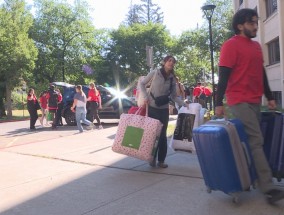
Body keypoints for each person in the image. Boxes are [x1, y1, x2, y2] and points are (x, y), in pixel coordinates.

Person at [215, 8, 284, 204]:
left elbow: (261, 73)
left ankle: (249, 177)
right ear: (240, 26)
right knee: (256, 139)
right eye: (252, 23)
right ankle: (268, 187)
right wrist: (218, 103)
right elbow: (224, 77)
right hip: (238, 101)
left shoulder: (256, 47)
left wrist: (270, 97)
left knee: (250, 142)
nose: (255, 26)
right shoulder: (230, 46)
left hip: (255, 100)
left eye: (256, 22)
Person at [140, 55, 188, 168]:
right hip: (152, 107)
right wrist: (145, 96)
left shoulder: (172, 78)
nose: (171, 63)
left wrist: (184, 103)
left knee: (162, 136)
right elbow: (142, 84)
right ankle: (151, 157)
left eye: (173, 62)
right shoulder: (155, 72)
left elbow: (174, 96)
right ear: (164, 62)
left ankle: (161, 160)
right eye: (169, 61)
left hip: (163, 110)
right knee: (152, 134)